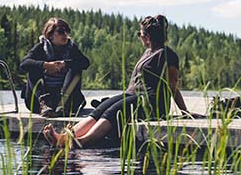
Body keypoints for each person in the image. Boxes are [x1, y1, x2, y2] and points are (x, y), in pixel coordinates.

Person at [43, 15, 190, 148]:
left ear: (147, 36)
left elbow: (172, 86)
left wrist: (184, 111)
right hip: (133, 95)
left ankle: (83, 141)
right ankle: (65, 137)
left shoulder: (167, 55)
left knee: (113, 112)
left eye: (140, 34)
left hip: (151, 102)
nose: (139, 37)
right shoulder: (148, 52)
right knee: (101, 109)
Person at [20, 18, 90, 117]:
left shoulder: (72, 48)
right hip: (38, 103)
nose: (65, 34)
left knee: (76, 67)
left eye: (67, 31)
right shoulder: (40, 48)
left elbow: (85, 63)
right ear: (50, 34)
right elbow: (24, 64)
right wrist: (45, 65)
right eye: (61, 31)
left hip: (68, 102)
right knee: (33, 67)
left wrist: (65, 64)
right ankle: (45, 103)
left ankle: (63, 103)